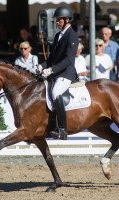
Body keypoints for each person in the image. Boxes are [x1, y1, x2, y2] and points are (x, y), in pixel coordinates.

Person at [39, 6, 79, 140]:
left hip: (66, 73)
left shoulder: (72, 35)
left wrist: (52, 69)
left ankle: (62, 129)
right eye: (56, 20)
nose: (56, 22)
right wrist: (42, 65)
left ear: (67, 19)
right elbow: (52, 58)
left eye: (59, 19)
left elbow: (68, 60)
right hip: (56, 73)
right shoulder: (58, 35)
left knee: (56, 93)